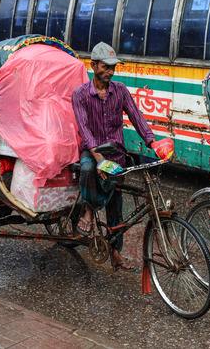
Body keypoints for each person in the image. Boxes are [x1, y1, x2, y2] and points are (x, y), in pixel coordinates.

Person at [72, 42, 163, 272]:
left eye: (113, 67)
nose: (110, 71)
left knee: (116, 205)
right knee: (88, 170)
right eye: (105, 66)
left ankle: (115, 252)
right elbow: (84, 129)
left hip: (117, 154)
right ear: (93, 65)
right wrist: (99, 158)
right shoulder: (80, 94)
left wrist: (153, 143)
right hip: (92, 152)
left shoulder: (120, 90)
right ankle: (89, 210)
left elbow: (137, 117)